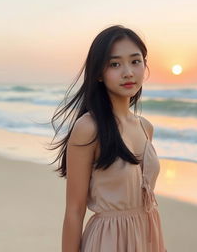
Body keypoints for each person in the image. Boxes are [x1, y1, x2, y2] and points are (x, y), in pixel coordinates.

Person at [48, 25, 167, 252]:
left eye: (135, 61)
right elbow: (74, 211)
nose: (128, 72)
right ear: (99, 73)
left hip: (147, 238)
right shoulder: (88, 128)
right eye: (115, 64)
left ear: (145, 65)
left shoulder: (145, 128)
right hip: (107, 242)